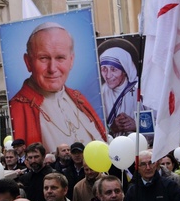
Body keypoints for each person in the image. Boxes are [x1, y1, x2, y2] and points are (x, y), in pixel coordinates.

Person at [8, 22, 106, 153]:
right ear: (28, 62)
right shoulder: (17, 108)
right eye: (43, 58)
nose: (52, 68)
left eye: (60, 58)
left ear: (71, 60)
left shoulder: (79, 98)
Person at [98, 38, 139, 136]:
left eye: (113, 69)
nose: (108, 76)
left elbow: (159, 123)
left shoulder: (140, 90)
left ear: (125, 70)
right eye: (104, 69)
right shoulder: (100, 92)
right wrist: (111, 128)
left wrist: (136, 125)